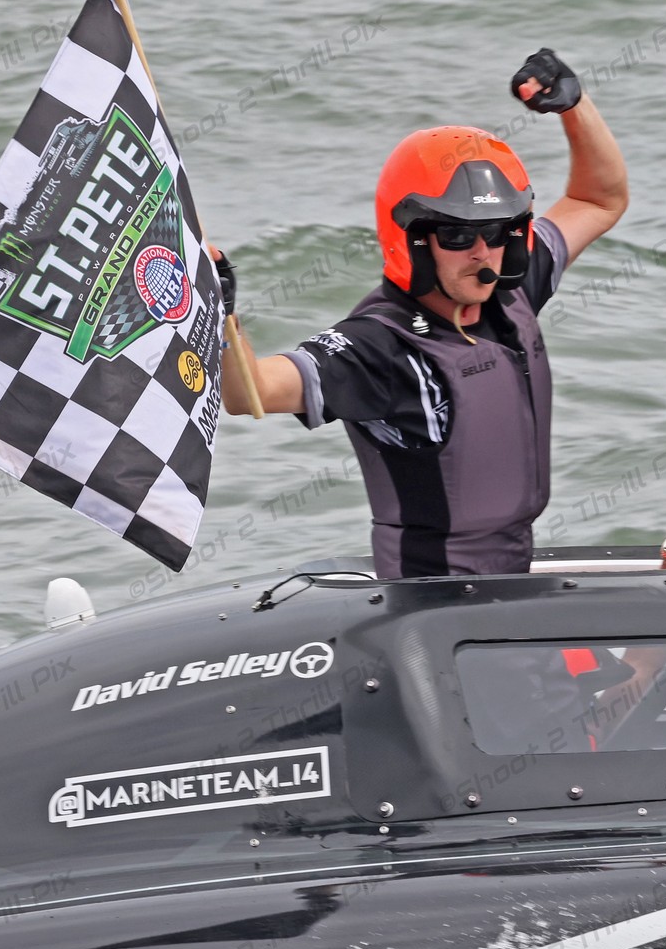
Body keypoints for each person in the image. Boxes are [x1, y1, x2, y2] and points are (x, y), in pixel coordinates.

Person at [217, 48, 628, 578]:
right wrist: (219, 314)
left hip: (513, 579)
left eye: (496, 231)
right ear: (412, 239)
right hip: (430, 602)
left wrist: (574, 106)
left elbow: (599, 200)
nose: (481, 252)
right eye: (456, 235)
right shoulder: (379, 346)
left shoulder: (510, 290)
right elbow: (248, 393)